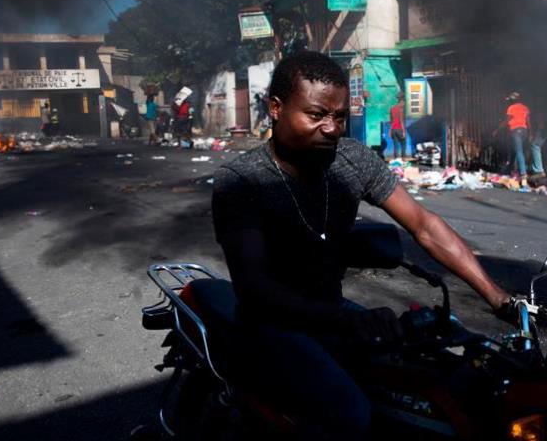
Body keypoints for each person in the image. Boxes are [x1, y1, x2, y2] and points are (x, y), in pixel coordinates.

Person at [212, 51, 510, 440]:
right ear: (275, 108)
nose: (331, 128)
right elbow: (254, 288)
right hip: (271, 326)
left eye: (339, 117)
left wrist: (499, 298)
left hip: (333, 313)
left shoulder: (351, 160)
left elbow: (424, 225)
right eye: (316, 115)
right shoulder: (241, 180)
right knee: (350, 413)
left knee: (431, 382)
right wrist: (347, 320)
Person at [493, 91, 530, 184]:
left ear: (513, 100)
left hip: (515, 131)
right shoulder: (525, 108)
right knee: (514, 150)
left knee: (519, 151)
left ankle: (523, 173)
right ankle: (509, 170)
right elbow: (528, 122)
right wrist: (531, 133)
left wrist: (497, 130)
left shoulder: (511, 108)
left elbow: (506, 121)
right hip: (524, 131)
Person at [388, 92, 406, 160]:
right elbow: (401, 121)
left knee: (396, 145)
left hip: (393, 130)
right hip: (399, 129)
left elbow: (391, 121)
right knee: (404, 143)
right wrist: (403, 132)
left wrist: (390, 131)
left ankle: (396, 159)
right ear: (401, 102)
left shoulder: (392, 108)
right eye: (403, 103)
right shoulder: (400, 109)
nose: (404, 104)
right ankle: (403, 158)